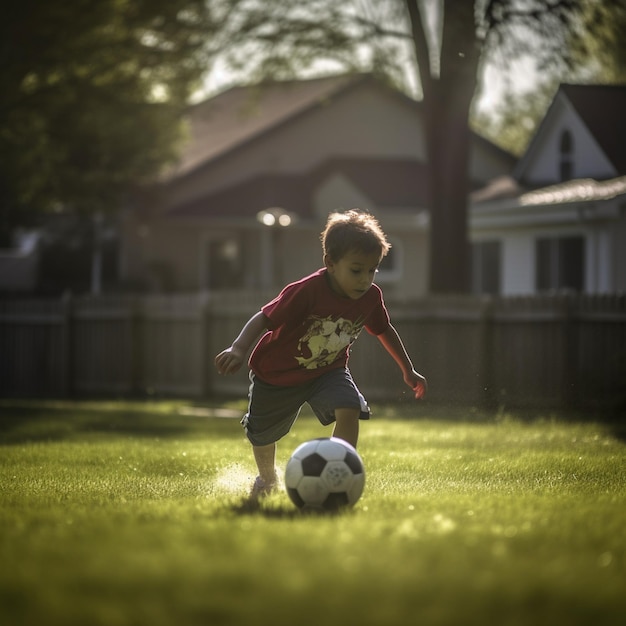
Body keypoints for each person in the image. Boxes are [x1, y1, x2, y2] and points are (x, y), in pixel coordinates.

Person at [214, 209, 427, 498]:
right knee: (262, 435)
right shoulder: (307, 291)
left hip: (329, 370)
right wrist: (238, 348)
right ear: (330, 263)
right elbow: (263, 318)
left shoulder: (371, 296)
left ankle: (338, 474)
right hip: (276, 375)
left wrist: (407, 368)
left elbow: (383, 329)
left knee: (349, 407)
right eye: (356, 270)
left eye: (372, 269)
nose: (365, 279)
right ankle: (266, 479)